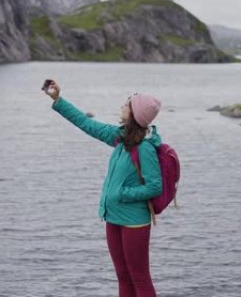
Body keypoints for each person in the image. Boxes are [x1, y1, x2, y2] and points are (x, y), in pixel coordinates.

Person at [44, 79, 163, 297]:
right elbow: (86, 124)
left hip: (134, 221)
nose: (122, 106)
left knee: (140, 278)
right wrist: (58, 100)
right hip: (113, 218)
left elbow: (155, 186)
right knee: (123, 277)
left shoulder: (145, 147)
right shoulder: (120, 137)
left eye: (127, 104)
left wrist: (122, 194)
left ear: (136, 114)